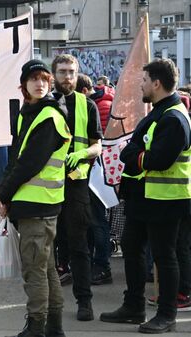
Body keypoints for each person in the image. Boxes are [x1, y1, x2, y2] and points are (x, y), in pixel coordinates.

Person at [100, 59, 191, 334]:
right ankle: (134, 306)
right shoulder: (161, 112)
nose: (141, 84)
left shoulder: (174, 117)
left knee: (164, 257)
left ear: (156, 83)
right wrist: (134, 152)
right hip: (146, 198)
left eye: (143, 80)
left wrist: (131, 154)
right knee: (132, 247)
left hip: (165, 200)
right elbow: (142, 148)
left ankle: (167, 314)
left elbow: (159, 160)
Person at [0, 59, 70, 337]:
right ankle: (54, 328)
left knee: (35, 271)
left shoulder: (49, 116)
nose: (40, 84)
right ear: (24, 85)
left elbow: (29, 163)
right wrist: (3, 192)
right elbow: (15, 157)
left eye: (44, 80)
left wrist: (3, 193)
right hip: (34, 204)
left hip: (39, 206)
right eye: (34, 79)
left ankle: (37, 327)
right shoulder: (29, 112)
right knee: (46, 268)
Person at [51, 54, 103, 321]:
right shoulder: (42, 103)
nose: (68, 77)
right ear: (53, 74)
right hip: (46, 185)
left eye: (72, 72)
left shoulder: (87, 104)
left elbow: (97, 144)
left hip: (76, 183)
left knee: (79, 244)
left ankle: (85, 301)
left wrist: (82, 155)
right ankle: (49, 303)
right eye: (62, 72)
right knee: (49, 245)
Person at [76, 73, 114, 286]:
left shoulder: (95, 107)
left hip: (95, 171)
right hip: (95, 171)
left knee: (97, 222)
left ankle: (101, 266)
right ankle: (96, 264)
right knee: (94, 221)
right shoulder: (105, 102)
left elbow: (98, 142)